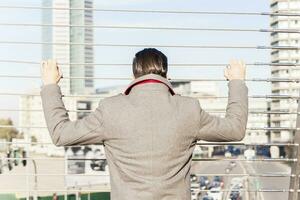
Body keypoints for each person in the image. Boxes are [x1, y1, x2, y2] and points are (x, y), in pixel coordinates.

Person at [40, 48, 248, 200]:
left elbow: (61, 133)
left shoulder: (111, 109)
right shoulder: (189, 109)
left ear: (134, 75)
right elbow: (235, 129)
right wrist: (236, 81)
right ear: (167, 76)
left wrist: (50, 85)